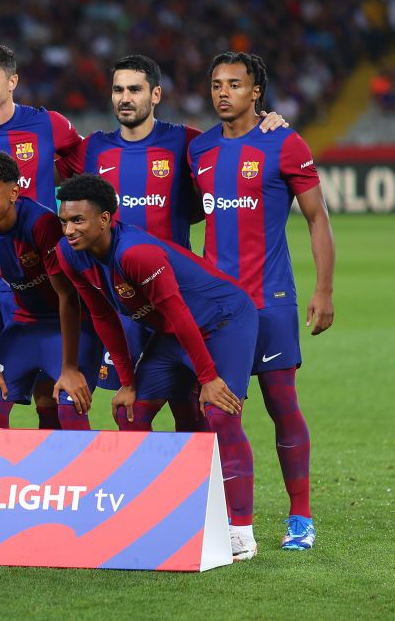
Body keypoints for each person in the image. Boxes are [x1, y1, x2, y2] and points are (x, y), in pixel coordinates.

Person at [52, 174, 259, 561]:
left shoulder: (136, 253)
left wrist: (208, 379)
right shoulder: (68, 253)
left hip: (222, 321)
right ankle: (154, 513)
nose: (69, 230)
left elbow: (180, 313)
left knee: (221, 413)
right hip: (172, 332)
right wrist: (127, 381)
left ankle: (240, 532)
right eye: (64, 221)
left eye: (78, 220)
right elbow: (102, 316)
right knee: (130, 411)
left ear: (105, 219)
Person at [78, 54, 288, 428]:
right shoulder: (93, 149)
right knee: (129, 413)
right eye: (118, 90)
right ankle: (145, 487)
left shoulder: (185, 143)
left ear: (155, 94)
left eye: (135, 89)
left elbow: (229, 150)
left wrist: (266, 121)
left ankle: (201, 487)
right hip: (125, 302)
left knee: (190, 412)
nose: (125, 98)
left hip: (176, 296)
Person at [189, 51, 336, 551]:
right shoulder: (198, 150)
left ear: (257, 92)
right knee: (218, 412)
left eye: (234, 84)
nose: (222, 92)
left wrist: (323, 290)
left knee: (281, 403)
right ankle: (235, 526)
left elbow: (317, 217)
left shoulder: (284, 143)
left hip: (269, 300)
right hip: (216, 310)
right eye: (216, 84)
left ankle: (300, 517)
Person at [0, 43, 86, 422]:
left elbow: (87, 168)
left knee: (50, 390)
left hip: (40, 277)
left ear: (12, 81)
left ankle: (54, 478)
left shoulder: (48, 124)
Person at [0, 151, 91, 430]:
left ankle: (81, 474)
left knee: (69, 404)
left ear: (14, 192)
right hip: (26, 322)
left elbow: (68, 296)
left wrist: (70, 368)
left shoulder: (41, 224)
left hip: (71, 324)